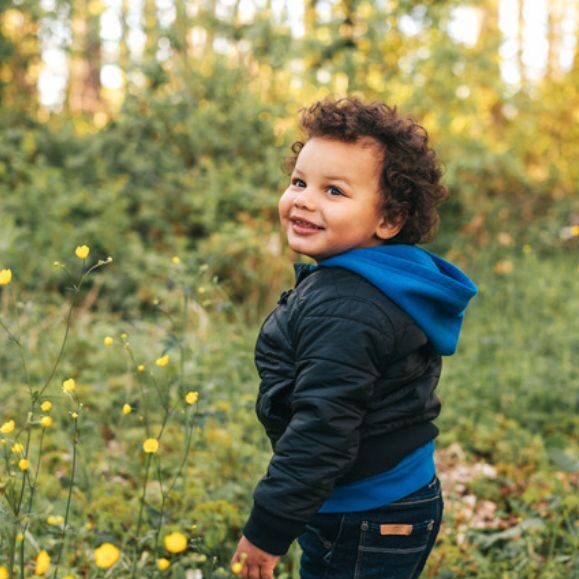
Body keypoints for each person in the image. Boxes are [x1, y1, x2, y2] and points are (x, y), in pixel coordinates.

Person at [231, 97, 477, 579]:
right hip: (377, 501)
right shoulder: (373, 281)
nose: (303, 199)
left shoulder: (350, 306)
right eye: (299, 182)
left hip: (368, 515)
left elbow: (323, 430)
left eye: (335, 192)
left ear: (388, 220)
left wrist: (266, 531)